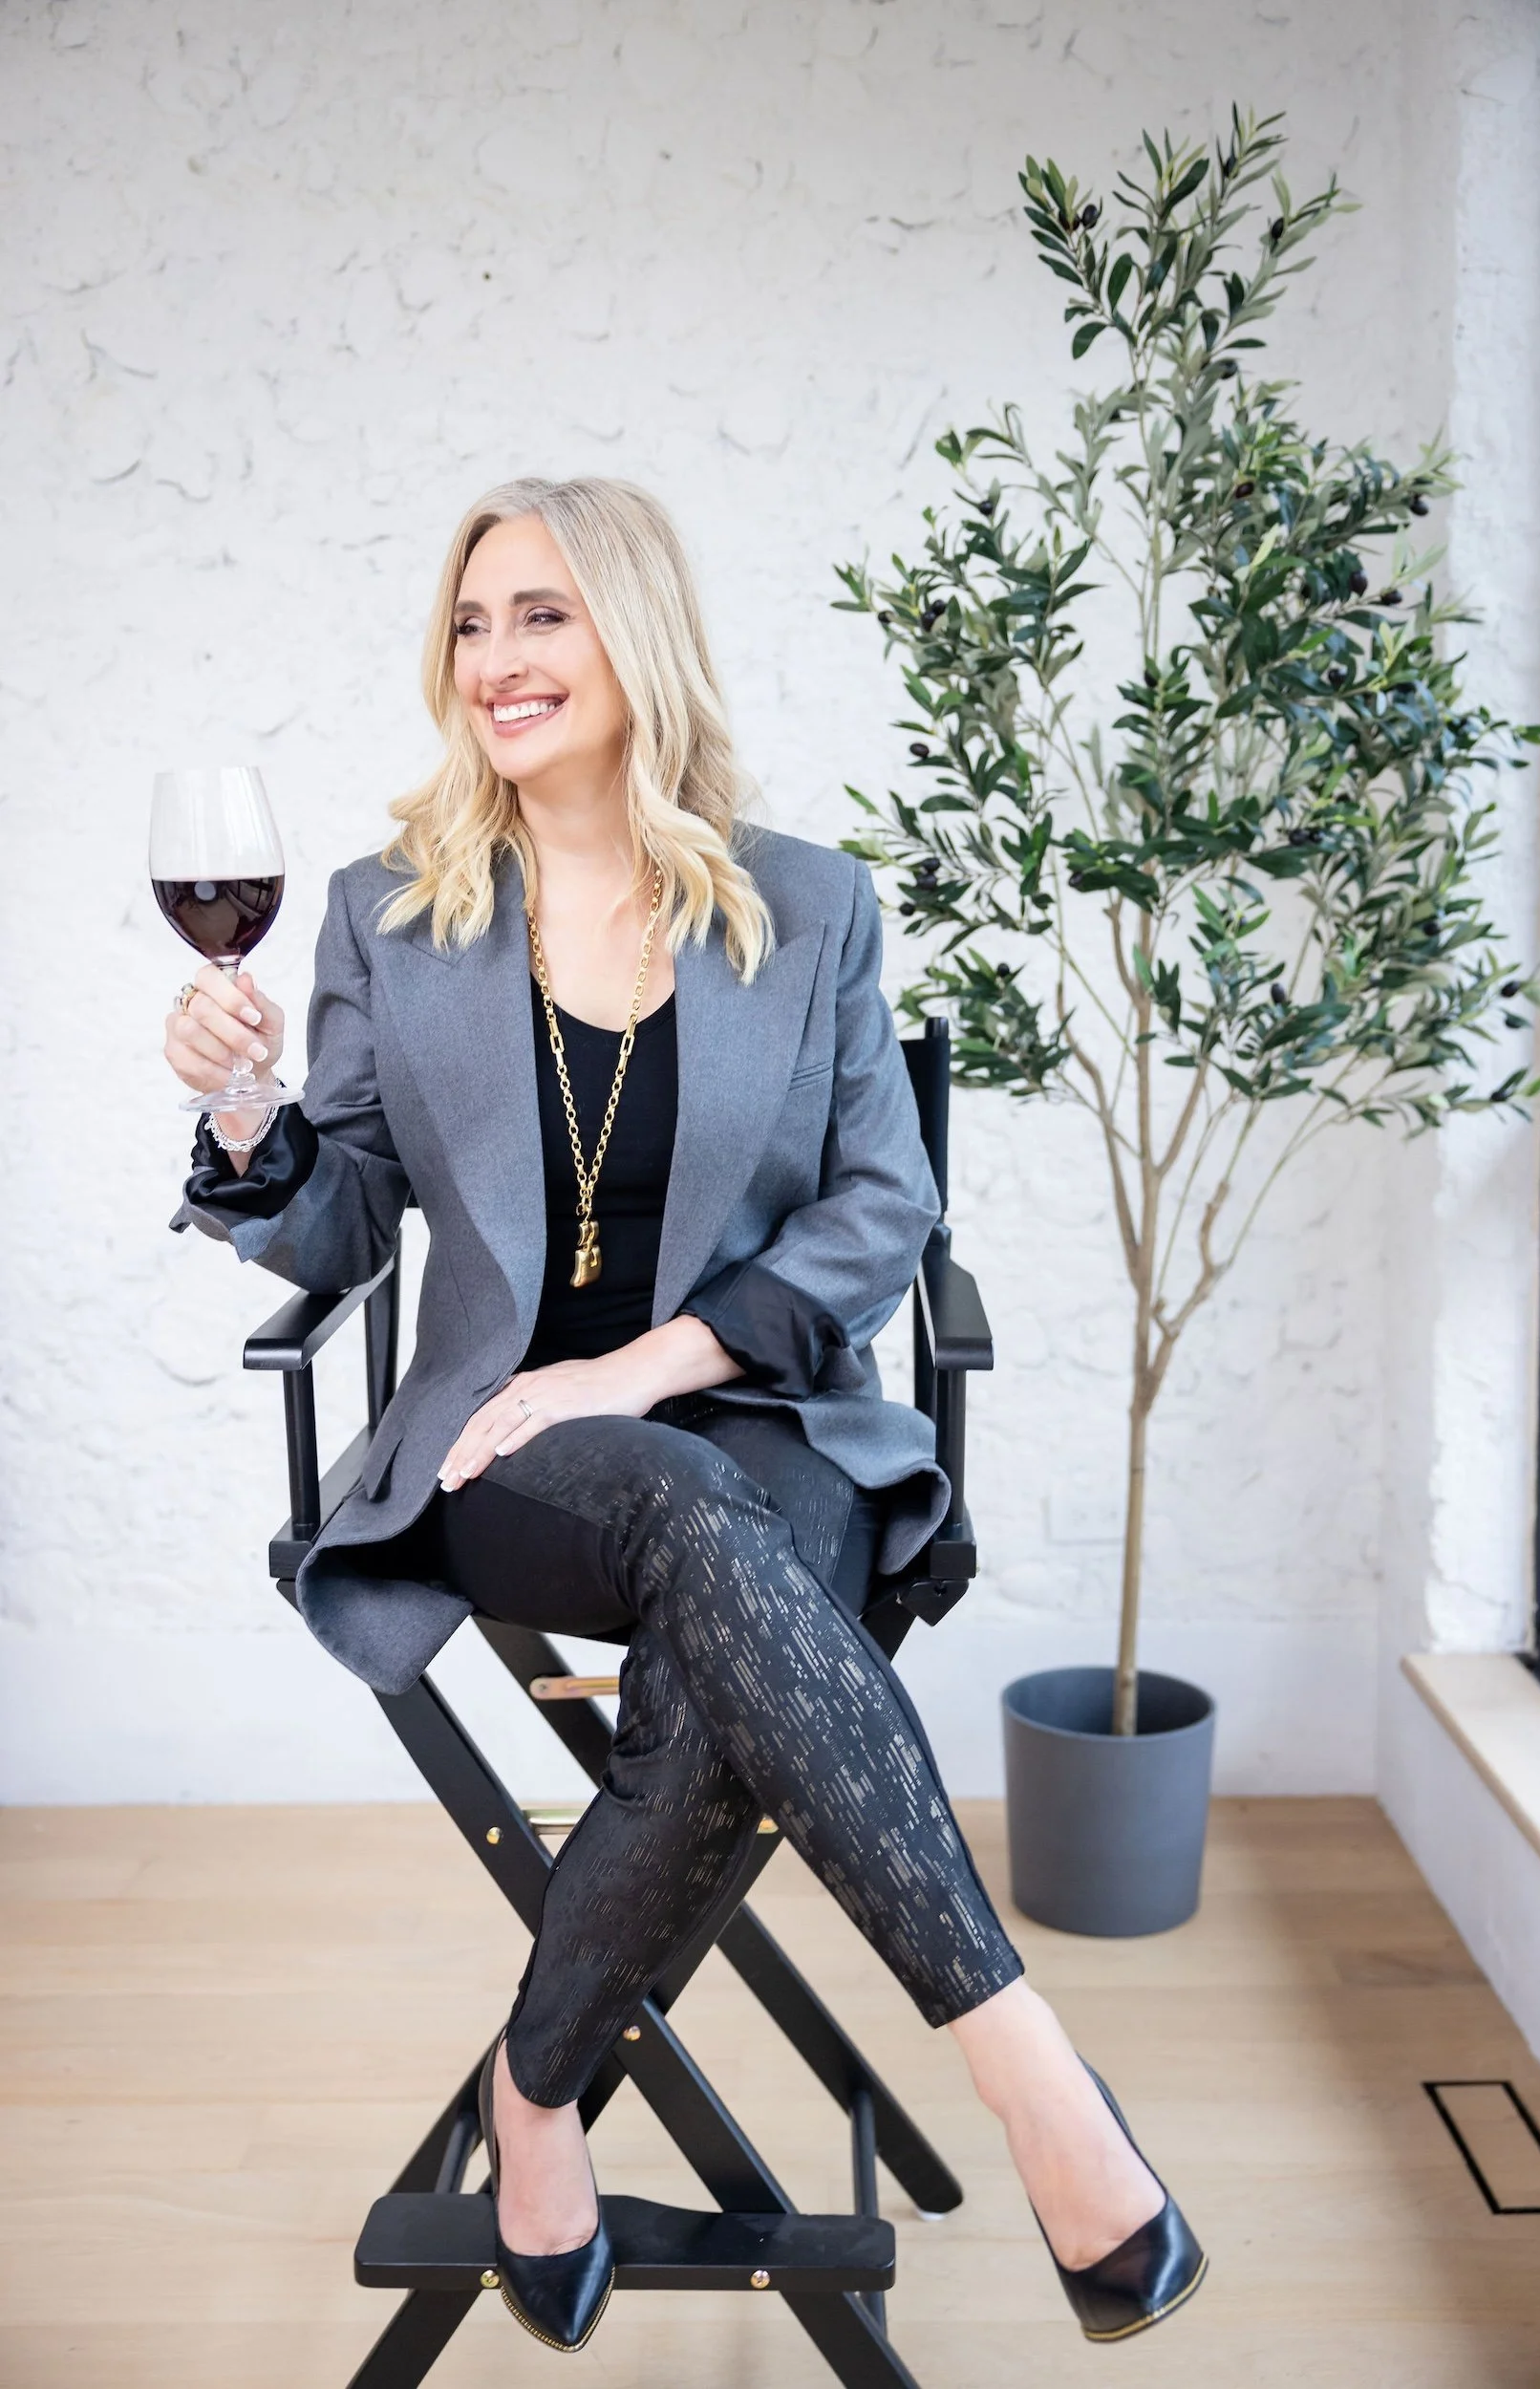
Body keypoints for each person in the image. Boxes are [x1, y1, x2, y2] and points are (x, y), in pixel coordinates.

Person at [165, 475, 1206, 2355]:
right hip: (504, 1451)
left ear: (629, 632)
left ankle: (534, 2089)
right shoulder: (387, 917)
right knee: (700, 1546)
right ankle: (1029, 2062)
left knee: (723, 1622)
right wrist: (249, 1124)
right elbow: (337, 1213)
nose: (496, 658)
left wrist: (643, 1364)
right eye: (472, 621)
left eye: (540, 614)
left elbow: (881, 1205)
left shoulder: (802, 903)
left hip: (761, 1417)